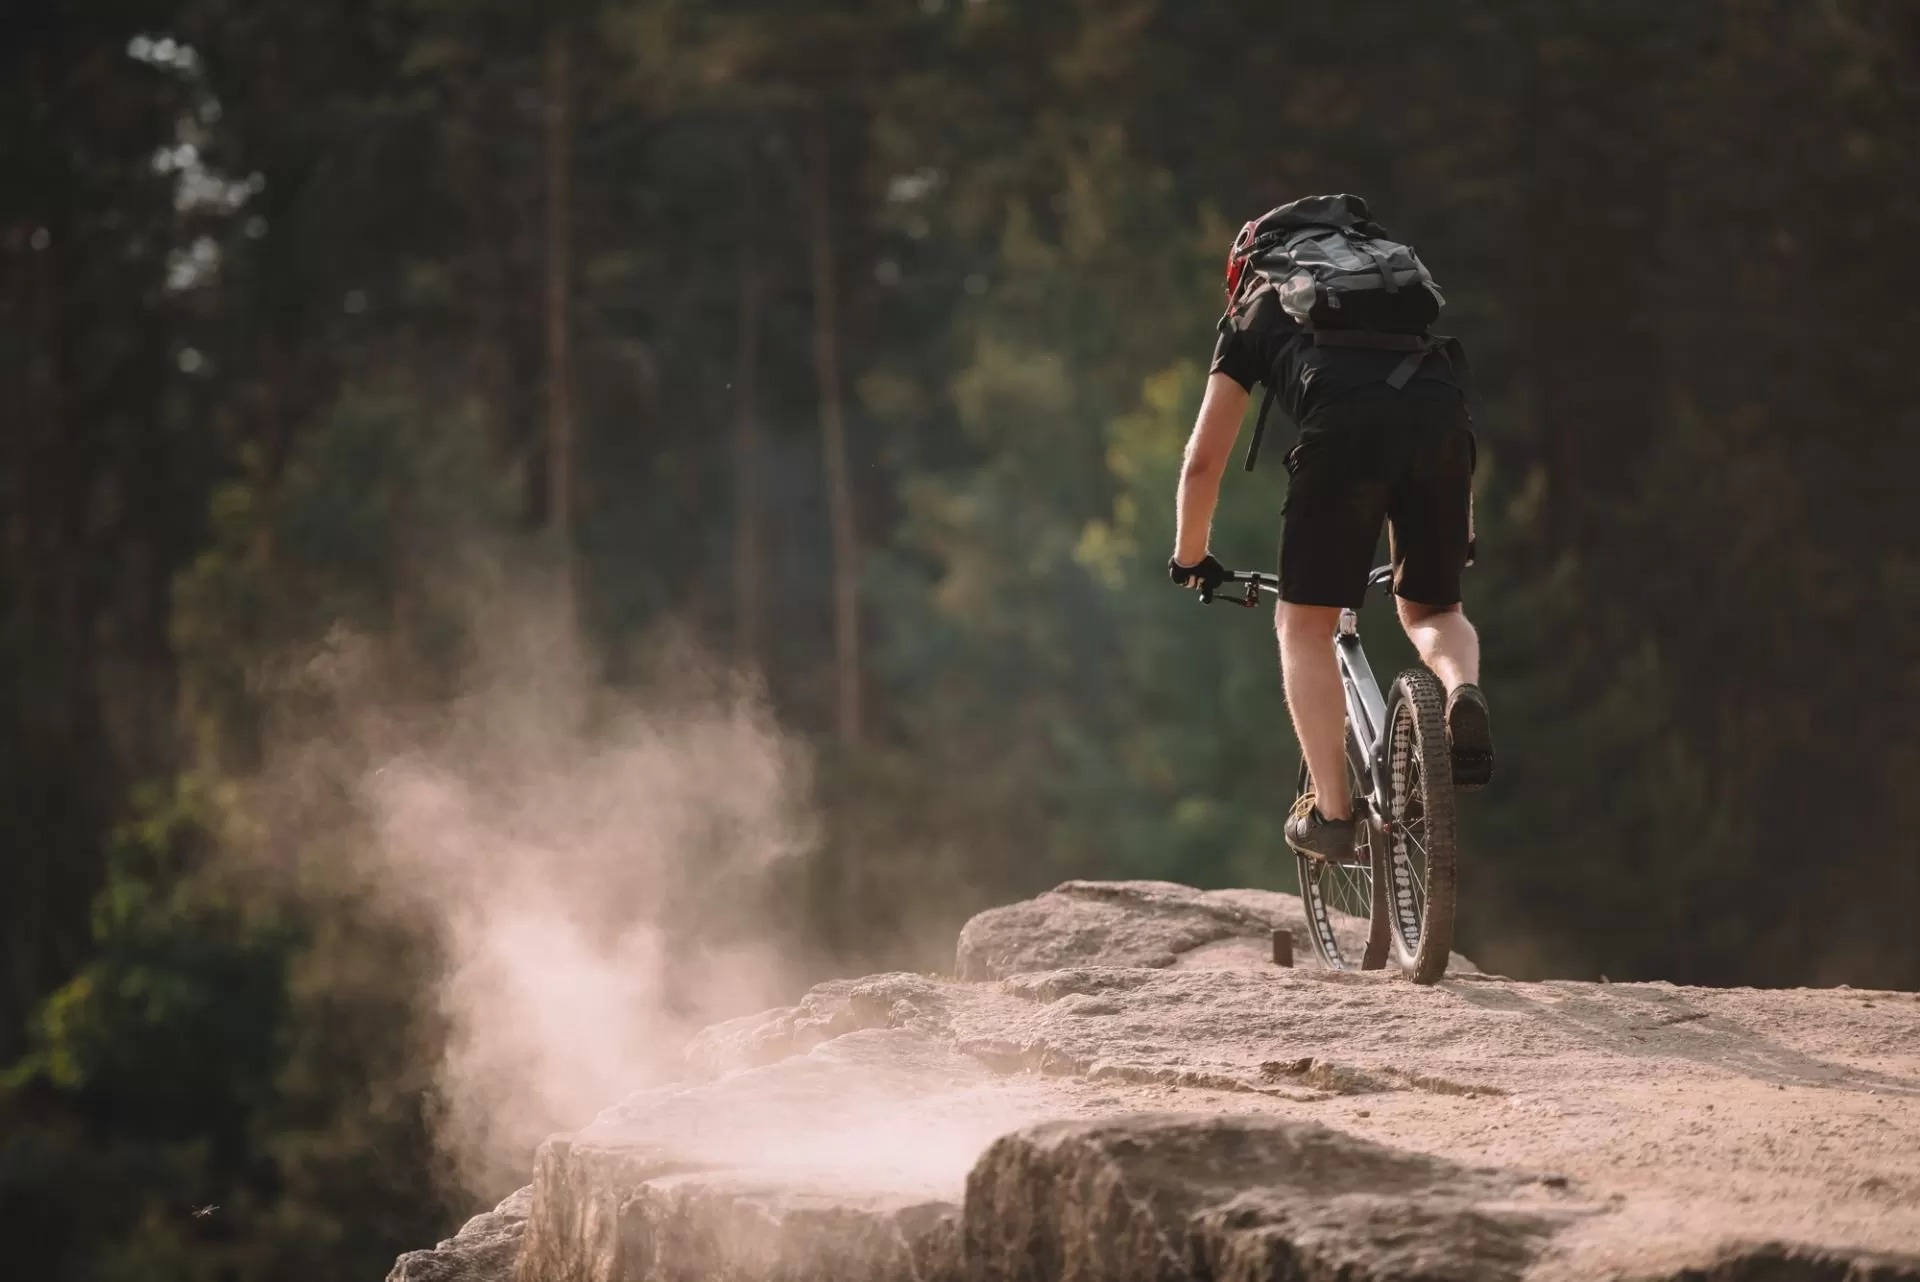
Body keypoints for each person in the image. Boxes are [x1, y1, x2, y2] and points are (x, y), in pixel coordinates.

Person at [1167, 200, 1493, 863]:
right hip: (1441, 427)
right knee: (1434, 608)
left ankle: (1334, 816)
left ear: (1244, 266)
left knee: (1304, 625)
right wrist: (1463, 527)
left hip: (1345, 435)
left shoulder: (1256, 304)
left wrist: (1191, 557)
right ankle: (1462, 691)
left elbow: (1203, 463)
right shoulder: (1388, 289)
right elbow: (1438, 397)